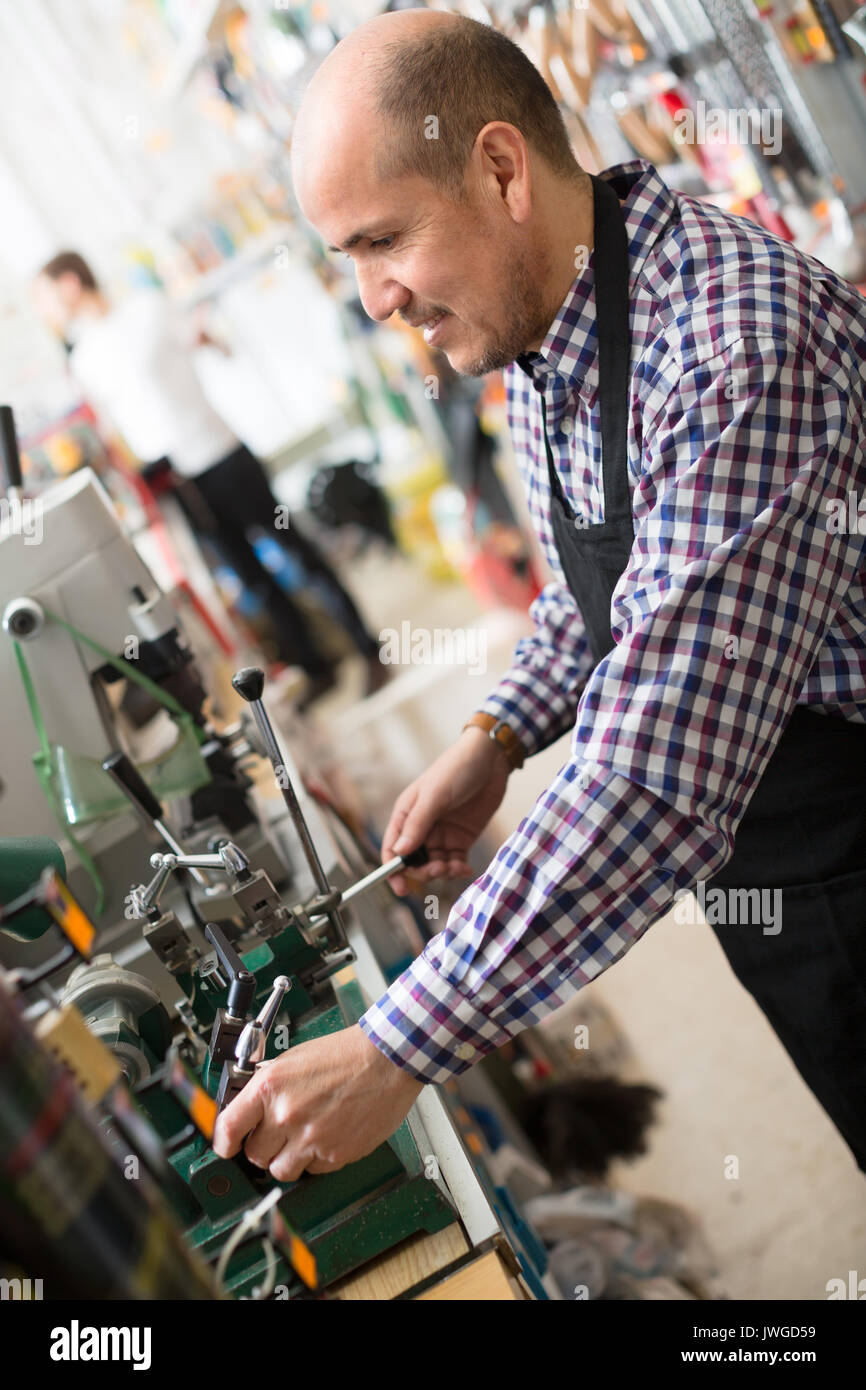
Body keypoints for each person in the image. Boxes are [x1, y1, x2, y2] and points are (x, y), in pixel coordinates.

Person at [212, 9, 866, 1182]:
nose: (373, 298)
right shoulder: (551, 326)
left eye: (383, 241)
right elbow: (610, 583)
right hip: (775, 875)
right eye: (347, 259)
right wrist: (497, 734)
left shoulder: (731, 348)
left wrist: (400, 1042)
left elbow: (656, 764)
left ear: (501, 169)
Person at [31, 252, 386, 704]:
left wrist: (210, 337)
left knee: (295, 549)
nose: (46, 311)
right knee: (252, 579)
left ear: (69, 285)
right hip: (177, 484)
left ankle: (368, 648)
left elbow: (214, 342)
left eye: (45, 297)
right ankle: (316, 666)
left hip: (224, 458)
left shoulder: (147, 309)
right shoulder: (83, 360)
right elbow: (112, 429)